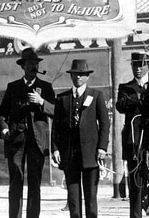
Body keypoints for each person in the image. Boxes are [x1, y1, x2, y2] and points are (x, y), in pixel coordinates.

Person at [0, 47, 56, 218]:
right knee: (16, 182)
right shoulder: (13, 87)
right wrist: (5, 128)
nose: (33, 67)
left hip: (37, 142)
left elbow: (56, 112)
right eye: (29, 63)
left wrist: (42, 102)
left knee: (35, 183)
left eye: (35, 64)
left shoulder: (45, 87)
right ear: (23, 66)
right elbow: (2, 113)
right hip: (16, 140)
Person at [52, 59, 110, 218]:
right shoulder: (62, 98)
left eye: (82, 74)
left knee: (91, 197)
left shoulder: (96, 95)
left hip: (91, 155)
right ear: (71, 76)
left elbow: (105, 123)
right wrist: (55, 148)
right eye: (75, 74)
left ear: (87, 77)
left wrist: (102, 147)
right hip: (70, 156)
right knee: (73, 198)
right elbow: (56, 126)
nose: (78, 77)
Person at [116, 52, 149, 218]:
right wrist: (139, 96)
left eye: (142, 65)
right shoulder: (125, 87)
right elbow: (120, 105)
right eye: (135, 65)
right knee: (135, 183)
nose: (138, 69)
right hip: (134, 142)